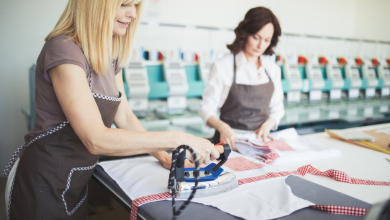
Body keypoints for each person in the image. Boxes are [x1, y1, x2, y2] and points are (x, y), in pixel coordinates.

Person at [4, 0, 218, 219]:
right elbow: (95, 139)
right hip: (43, 181)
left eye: (136, 5)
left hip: (76, 181)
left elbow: (124, 116)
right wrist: (178, 139)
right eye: (125, 4)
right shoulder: (63, 49)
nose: (133, 14)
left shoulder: (110, 54)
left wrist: (163, 156)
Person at [199, 7, 284, 151]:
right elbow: (206, 109)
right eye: (256, 38)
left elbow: (277, 108)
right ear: (245, 33)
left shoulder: (272, 69)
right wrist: (223, 127)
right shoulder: (223, 66)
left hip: (260, 144)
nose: (260, 45)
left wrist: (268, 124)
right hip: (228, 144)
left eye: (267, 40)